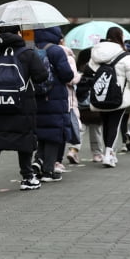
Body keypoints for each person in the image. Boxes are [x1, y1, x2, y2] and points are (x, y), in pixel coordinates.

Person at [0, 25, 48, 192]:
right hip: (23, 105)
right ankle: (27, 177)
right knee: (24, 139)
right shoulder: (27, 54)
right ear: (18, 34)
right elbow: (41, 76)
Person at [88, 27, 130, 167]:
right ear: (120, 37)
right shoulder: (124, 55)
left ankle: (109, 152)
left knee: (106, 123)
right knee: (115, 125)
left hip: (101, 95)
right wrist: (129, 88)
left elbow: (91, 71)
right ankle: (109, 154)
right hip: (119, 96)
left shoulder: (96, 53)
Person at [32, 27, 74, 182]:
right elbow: (67, 74)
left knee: (42, 132)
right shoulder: (56, 51)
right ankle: (48, 171)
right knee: (54, 134)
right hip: (55, 97)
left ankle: (38, 162)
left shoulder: (34, 50)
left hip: (37, 97)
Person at [73, 48, 104, 162]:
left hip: (80, 105)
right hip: (93, 105)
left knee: (81, 129)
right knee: (96, 130)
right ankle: (97, 154)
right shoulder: (95, 70)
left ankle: (74, 150)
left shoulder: (77, 72)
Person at [60, 40, 82, 169]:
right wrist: (79, 76)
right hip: (68, 99)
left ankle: (43, 160)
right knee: (75, 126)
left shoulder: (42, 54)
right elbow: (71, 79)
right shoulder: (68, 57)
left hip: (47, 98)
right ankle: (72, 151)